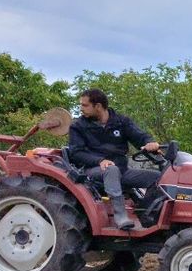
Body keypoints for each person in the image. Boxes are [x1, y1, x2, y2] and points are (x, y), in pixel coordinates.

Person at [68, 88, 161, 230]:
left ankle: (146, 214)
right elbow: (76, 153)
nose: (81, 108)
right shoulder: (78, 126)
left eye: (85, 105)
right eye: (81, 105)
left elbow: (140, 136)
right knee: (111, 169)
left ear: (98, 106)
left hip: (122, 171)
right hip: (93, 171)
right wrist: (100, 161)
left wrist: (150, 143)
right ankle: (121, 217)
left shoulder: (121, 122)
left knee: (159, 178)